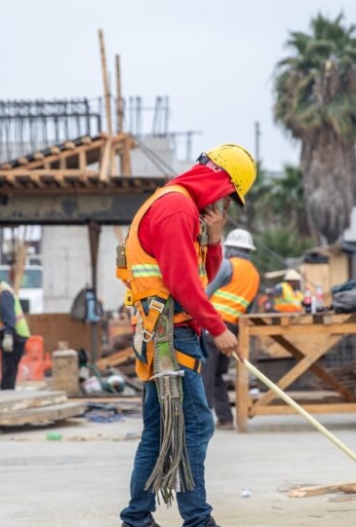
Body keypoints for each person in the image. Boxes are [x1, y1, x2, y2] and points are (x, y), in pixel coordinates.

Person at [116, 143, 256, 527]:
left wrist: (213, 238)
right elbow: (181, 282)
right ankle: (197, 520)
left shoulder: (182, 208)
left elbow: (204, 277)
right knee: (196, 424)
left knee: (161, 430)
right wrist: (218, 328)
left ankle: (137, 519)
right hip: (171, 335)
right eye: (229, 195)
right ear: (220, 181)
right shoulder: (176, 207)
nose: (226, 204)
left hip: (163, 334)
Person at [202, 228, 260, 430]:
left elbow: (206, 292)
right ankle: (225, 418)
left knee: (206, 373)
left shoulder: (227, 265)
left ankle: (204, 419)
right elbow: (249, 308)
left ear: (230, 248)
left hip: (214, 324)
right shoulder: (254, 273)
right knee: (218, 374)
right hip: (233, 329)